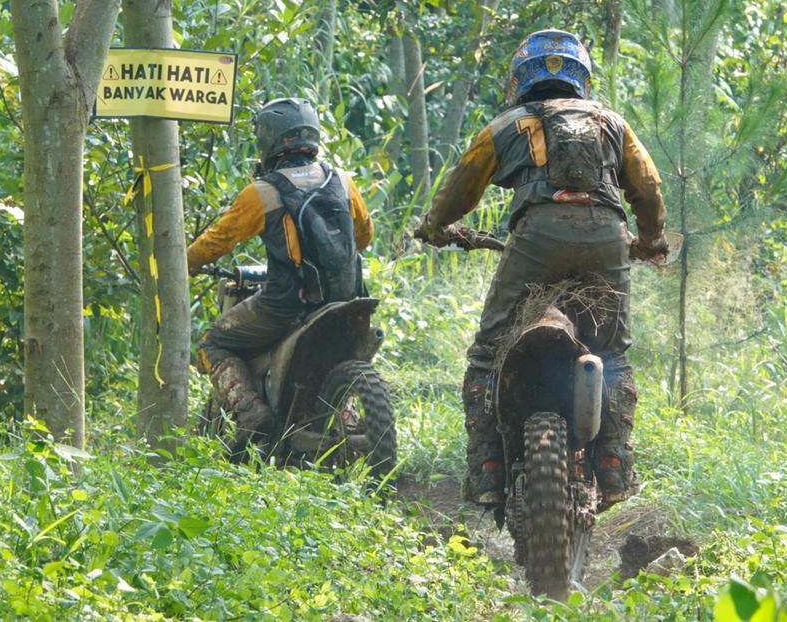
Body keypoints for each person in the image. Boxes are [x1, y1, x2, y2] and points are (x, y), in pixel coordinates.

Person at [416, 29, 668, 508]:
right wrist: (651, 240)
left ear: (520, 78)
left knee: (488, 352)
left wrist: (435, 226)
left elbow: (460, 189)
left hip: (537, 240)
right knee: (612, 352)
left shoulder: (507, 125)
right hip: (606, 239)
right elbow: (649, 187)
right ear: (582, 77)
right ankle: (614, 463)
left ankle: (487, 467)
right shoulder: (612, 123)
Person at [187, 98, 374, 444]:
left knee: (213, 342)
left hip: (285, 307)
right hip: (346, 301)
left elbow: (217, 242)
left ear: (268, 139)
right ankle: (343, 414)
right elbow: (364, 236)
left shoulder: (263, 192)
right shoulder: (343, 181)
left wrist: (186, 262)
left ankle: (249, 410)